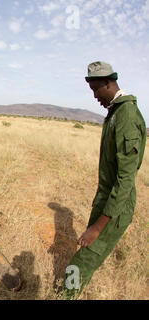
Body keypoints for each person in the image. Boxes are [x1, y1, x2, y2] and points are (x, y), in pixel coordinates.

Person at [58, 61, 146, 299]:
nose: (95, 96)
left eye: (97, 89)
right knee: (86, 254)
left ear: (109, 83)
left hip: (116, 206)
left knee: (83, 260)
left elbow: (125, 180)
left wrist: (97, 227)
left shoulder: (126, 115)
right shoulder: (116, 112)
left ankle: (65, 295)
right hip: (107, 201)